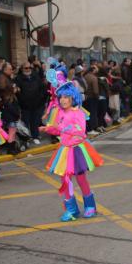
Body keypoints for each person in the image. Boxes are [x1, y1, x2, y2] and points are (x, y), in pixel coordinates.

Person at [40, 80, 103, 222]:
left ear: (73, 98)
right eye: (61, 97)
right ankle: (72, 209)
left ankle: (90, 206)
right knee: (65, 180)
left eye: (66, 97)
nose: (63, 100)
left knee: (81, 179)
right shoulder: (60, 113)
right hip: (64, 150)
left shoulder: (78, 113)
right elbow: (58, 129)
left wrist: (62, 128)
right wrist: (48, 128)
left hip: (76, 149)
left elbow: (81, 131)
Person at [15, 62, 46, 145]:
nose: (28, 69)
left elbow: (42, 88)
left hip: (37, 104)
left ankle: (35, 136)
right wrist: (22, 100)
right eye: (26, 68)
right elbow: (17, 92)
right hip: (25, 105)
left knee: (35, 121)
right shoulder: (18, 78)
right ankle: (26, 138)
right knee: (25, 122)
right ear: (22, 69)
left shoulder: (36, 76)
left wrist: (41, 99)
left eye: (29, 68)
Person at [83, 65, 99, 135]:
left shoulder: (84, 76)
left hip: (85, 97)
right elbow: (96, 91)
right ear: (93, 70)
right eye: (96, 69)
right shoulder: (93, 78)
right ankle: (91, 129)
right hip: (92, 97)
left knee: (86, 114)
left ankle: (87, 128)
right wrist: (97, 97)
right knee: (92, 113)